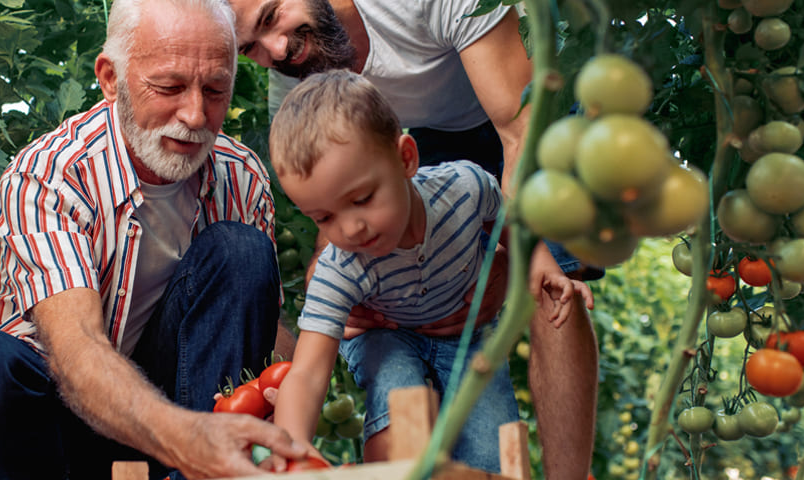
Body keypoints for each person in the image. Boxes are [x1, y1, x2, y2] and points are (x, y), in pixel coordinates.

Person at [0, 0, 307, 478]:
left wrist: (302, 362)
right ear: (110, 78)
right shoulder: (50, 174)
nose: (195, 115)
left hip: (173, 418)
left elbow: (259, 330)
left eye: (216, 90)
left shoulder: (240, 175)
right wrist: (188, 437)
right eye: (168, 87)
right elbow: (76, 348)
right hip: (50, 418)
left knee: (241, 252)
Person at [225, 0, 601, 477]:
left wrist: (526, 261)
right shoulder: (299, 88)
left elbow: (518, 134)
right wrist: (291, 446)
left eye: (271, 17)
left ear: (408, 161)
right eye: (251, 48)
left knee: (554, 286)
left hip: (515, 109)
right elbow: (308, 367)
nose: (276, 49)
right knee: (394, 376)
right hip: (411, 142)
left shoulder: (460, 185)